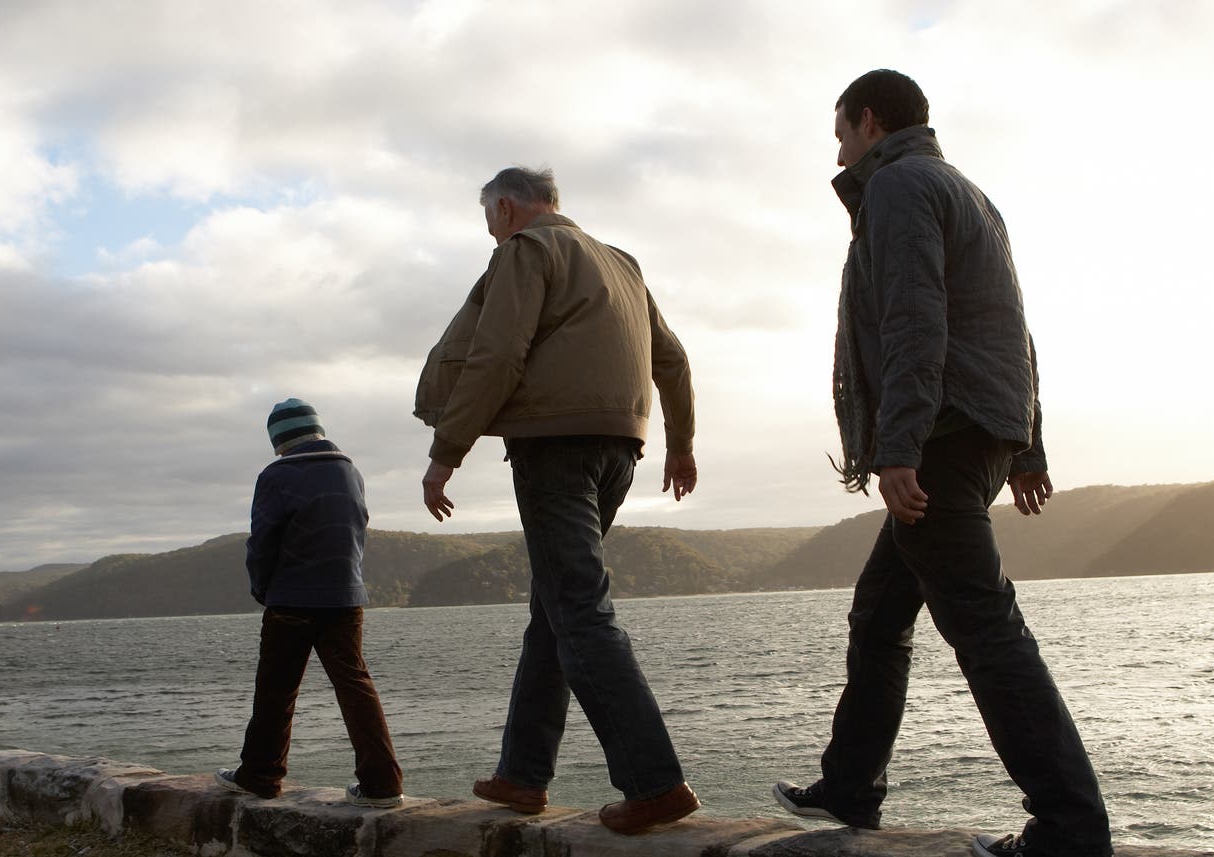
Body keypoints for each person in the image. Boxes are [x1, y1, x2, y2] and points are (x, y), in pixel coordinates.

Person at [769, 70, 1113, 857]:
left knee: (988, 632)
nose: (840, 151)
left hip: (939, 435)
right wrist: (1026, 445)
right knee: (881, 609)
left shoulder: (897, 188)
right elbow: (1012, 326)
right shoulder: (968, 192)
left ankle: (1070, 830)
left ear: (867, 121)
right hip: (976, 428)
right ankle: (852, 786)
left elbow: (915, 318)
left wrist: (898, 447)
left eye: (841, 135)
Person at [412, 166, 701, 835]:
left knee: (577, 610)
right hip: (620, 449)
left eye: (488, 219)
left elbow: (498, 355)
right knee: (555, 611)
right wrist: (680, 444)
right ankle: (522, 774)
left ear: (507, 208)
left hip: (554, 447)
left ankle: (653, 781)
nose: (490, 231)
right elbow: (675, 362)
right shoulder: (620, 262)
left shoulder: (525, 251)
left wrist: (445, 452)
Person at [215, 398, 405, 808]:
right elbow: (358, 528)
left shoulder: (276, 476)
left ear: (279, 440)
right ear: (318, 430)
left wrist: (261, 589)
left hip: (291, 599)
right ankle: (383, 785)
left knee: (276, 691)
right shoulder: (349, 471)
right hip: (345, 596)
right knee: (355, 686)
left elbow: (262, 541)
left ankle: (261, 776)